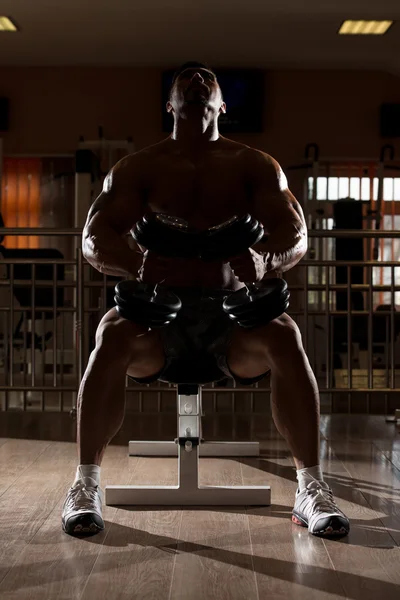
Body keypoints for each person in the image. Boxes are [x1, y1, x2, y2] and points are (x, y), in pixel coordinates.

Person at [62, 62, 350, 538]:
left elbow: (296, 233)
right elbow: (93, 239)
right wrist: (135, 265)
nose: (196, 85)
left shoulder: (254, 166)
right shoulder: (139, 169)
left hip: (231, 322)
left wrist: (264, 261)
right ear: (169, 105)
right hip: (157, 323)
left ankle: (310, 486)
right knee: (111, 333)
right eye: (185, 82)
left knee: (285, 335)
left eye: (206, 83)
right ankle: (84, 486)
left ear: (223, 105)